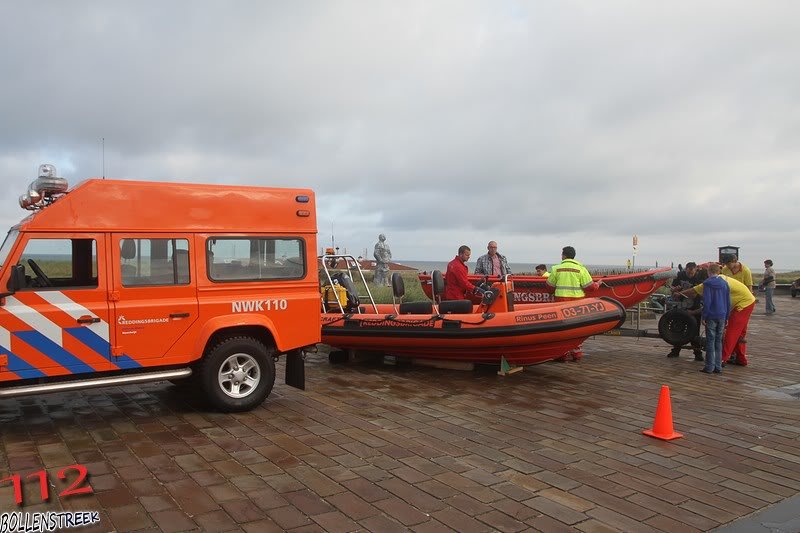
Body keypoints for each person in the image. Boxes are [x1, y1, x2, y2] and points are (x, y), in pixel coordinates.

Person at [678, 270, 755, 366]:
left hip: (743, 304)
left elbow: (696, 292)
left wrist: (678, 294)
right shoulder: (721, 279)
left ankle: (722, 359)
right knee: (740, 334)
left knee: (731, 333)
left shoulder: (710, 283)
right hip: (748, 301)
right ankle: (741, 359)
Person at [546, 246, 599, 361]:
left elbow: (549, 287)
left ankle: (562, 354)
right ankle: (577, 353)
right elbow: (589, 287)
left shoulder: (556, 269)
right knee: (577, 328)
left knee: (562, 329)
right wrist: (598, 284)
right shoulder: (581, 269)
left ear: (564, 255)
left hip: (560, 303)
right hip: (577, 304)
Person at [669, 262, 706, 361]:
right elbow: (672, 288)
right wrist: (675, 289)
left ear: (695, 270)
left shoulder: (699, 279)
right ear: (686, 269)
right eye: (688, 272)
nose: (690, 274)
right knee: (678, 329)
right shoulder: (680, 275)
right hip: (680, 306)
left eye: (692, 273)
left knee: (694, 330)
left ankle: (697, 352)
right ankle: (676, 350)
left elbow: (700, 293)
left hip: (694, 307)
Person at [699, 263, 730, 374]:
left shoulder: (707, 284)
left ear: (709, 272)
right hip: (722, 314)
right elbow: (728, 301)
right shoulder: (725, 283)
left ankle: (709, 366)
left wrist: (704, 316)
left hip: (712, 314)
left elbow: (707, 301)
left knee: (710, 341)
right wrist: (727, 316)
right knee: (719, 341)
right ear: (719, 272)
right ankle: (718, 366)